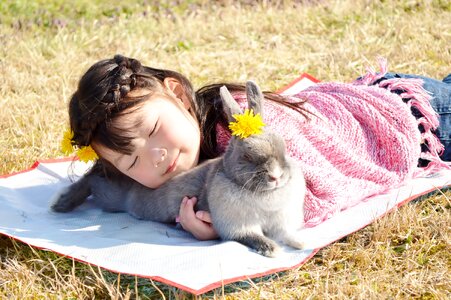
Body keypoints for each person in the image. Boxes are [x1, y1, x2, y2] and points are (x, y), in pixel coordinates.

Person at [62, 54, 450, 240]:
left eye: (155, 129)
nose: (155, 156)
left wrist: (227, 227)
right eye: (131, 161)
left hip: (415, 117)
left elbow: (298, 191)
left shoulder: (243, 124)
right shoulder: (180, 181)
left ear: (178, 95)